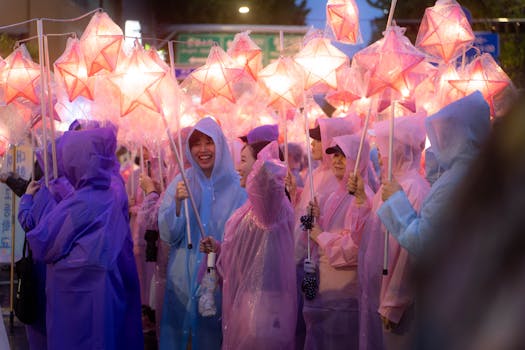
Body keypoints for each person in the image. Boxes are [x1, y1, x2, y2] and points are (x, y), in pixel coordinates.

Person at [413, 92, 524, 350]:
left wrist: (395, 204)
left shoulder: (463, 183)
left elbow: (424, 243)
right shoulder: (464, 178)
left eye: (449, 132)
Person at [26, 127, 143, 350]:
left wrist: (34, 201)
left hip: (73, 303)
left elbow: (42, 243)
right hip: (106, 293)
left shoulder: (79, 202)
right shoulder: (111, 191)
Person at [158, 117, 246, 350]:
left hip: (219, 283)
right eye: (196, 144)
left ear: (220, 144)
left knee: (213, 338)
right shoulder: (181, 182)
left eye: (209, 142)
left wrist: (220, 247)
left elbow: (247, 239)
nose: (203, 150)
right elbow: (168, 235)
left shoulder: (239, 187)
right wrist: (177, 204)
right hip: (182, 282)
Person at [201, 137, 297, 349]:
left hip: (265, 311)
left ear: (259, 166)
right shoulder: (252, 206)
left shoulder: (269, 206)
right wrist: (218, 248)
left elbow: (269, 181)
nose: (238, 166)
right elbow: (246, 250)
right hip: (250, 305)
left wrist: (266, 166)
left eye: (244, 160)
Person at [377, 91, 491, 257]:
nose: (440, 140)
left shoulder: (454, 182)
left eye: (446, 133)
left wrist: (396, 200)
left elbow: (423, 242)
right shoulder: (481, 173)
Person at [356, 116, 430, 350]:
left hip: (398, 309)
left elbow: (411, 252)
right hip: (378, 295)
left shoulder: (415, 188)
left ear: (398, 148)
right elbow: (375, 233)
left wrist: (394, 302)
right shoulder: (389, 186)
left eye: (383, 147)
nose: (379, 154)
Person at [303, 134, 373, 349]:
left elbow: (354, 248)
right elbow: (333, 231)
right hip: (327, 294)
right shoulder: (336, 194)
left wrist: (320, 235)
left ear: (358, 159)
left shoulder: (362, 198)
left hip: (345, 298)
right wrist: (317, 218)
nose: (337, 161)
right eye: (334, 156)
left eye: (344, 156)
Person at [17, 143, 74, 350]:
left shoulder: (45, 189)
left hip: (43, 268)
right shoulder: (75, 187)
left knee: (41, 326)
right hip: (70, 271)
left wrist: (26, 198)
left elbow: (28, 222)